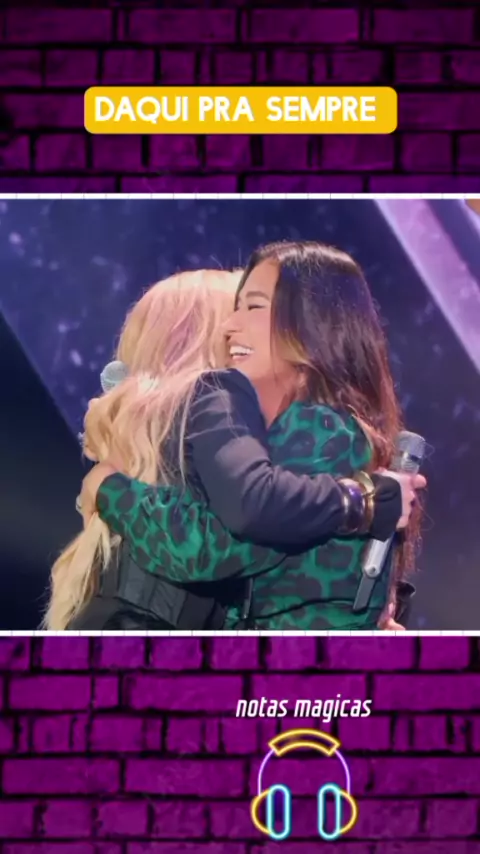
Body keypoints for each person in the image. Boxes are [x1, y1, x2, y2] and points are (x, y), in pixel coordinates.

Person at [73, 241, 426, 631]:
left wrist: (108, 487)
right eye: (234, 308)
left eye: (253, 307)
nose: (229, 327)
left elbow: (209, 546)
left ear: (312, 322)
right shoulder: (307, 428)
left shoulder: (320, 427)